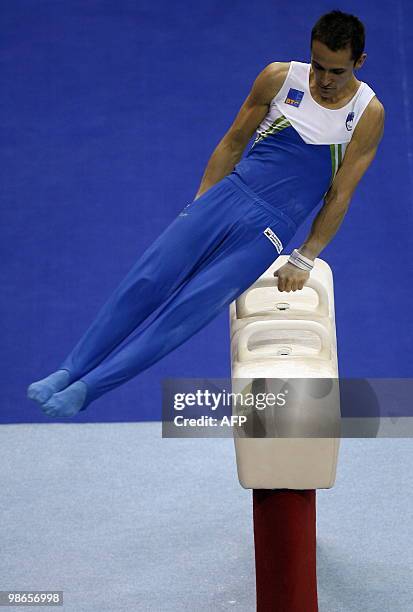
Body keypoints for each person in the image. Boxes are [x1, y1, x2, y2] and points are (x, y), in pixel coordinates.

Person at [27, 10, 384, 417]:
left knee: (186, 313)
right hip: (228, 195)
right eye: (317, 66)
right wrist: (201, 204)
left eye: (335, 71)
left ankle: (88, 389)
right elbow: (233, 142)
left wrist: (306, 255)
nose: (322, 80)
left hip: (267, 231)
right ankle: (68, 370)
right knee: (147, 280)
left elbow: (340, 193)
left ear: (360, 62)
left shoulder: (368, 113)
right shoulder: (279, 78)